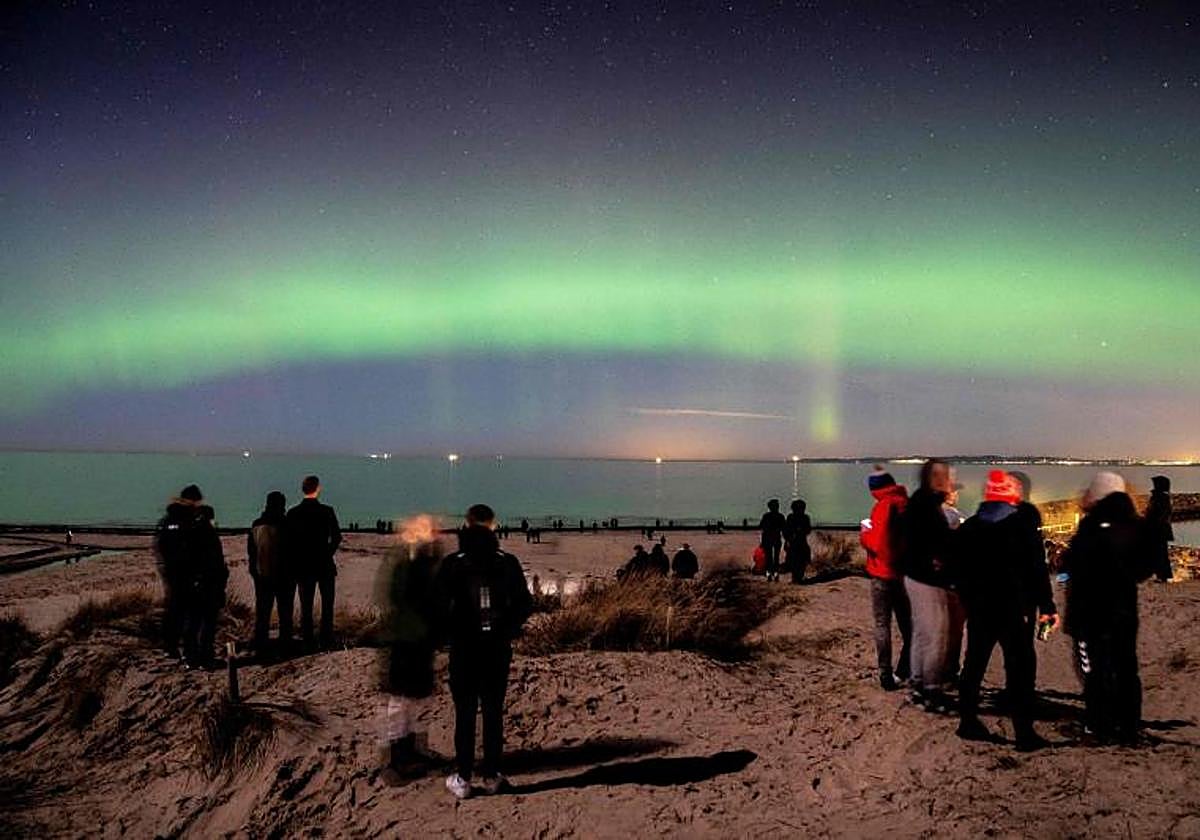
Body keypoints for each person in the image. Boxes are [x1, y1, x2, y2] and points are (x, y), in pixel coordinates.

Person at [953, 470, 1058, 751]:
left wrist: (969, 599)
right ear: (1010, 495)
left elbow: (957, 571)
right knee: (1021, 668)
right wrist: (1047, 606)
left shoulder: (970, 527)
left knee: (974, 664)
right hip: (1016, 610)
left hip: (980, 609)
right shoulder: (1021, 527)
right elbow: (1037, 571)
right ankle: (1024, 733)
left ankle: (967, 721)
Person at [436, 504, 533, 799]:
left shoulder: (454, 563)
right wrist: (508, 628)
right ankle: (492, 774)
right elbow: (524, 603)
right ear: (493, 526)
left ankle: (463, 778)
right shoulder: (507, 562)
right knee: (492, 711)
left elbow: (437, 605)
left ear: (466, 526)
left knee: (465, 712)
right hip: (496, 649)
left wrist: (448, 634)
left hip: (464, 649)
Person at [1061, 472, 1154, 744]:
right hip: (1124, 611)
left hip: (1089, 614)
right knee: (1126, 668)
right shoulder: (1135, 526)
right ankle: (1128, 726)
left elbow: (1073, 565)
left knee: (1093, 670)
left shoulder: (1090, 527)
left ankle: (1098, 725)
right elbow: (1143, 569)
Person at [377, 514, 444, 780]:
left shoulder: (402, 565)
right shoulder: (412, 569)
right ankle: (400, 755)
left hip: (406, 637)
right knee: (406, 696)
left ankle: (407, 750)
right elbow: (426, 599)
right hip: (412, 639)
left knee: (407, 696)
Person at [900, 459, 958, 712]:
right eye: (938, 475)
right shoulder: (925, 506)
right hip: (927, 578)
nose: (944, 479)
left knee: (923, 634)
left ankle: (918, 685)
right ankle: (931, 690)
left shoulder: (921, 502)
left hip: (916, 575)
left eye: (945, 475)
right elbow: (936, 542)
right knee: (936, 635)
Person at [860, 468, 912, 691]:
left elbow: (879, 544)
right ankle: (906, 668)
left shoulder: (884, 506)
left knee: (883, 625)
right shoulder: (907, 505)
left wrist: (865, 532)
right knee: (909, 626)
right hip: (906, 574)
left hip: (883, 574)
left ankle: (886, 673)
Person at [285, 475, 342, 649]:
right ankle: (326, 638)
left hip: (303, 565)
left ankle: (308, 639)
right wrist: (327, 553)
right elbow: (337, 537)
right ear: (317, 489)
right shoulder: (327, 511)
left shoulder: (293, 513)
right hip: (324, 564)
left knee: (306, 605)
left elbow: (289, 541)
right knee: (327, 604)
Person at [153, 484, 206, 660]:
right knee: (185, 611)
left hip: (175, 571)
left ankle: (174, 646)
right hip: (180, 572)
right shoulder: (180, 522)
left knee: (177, 610)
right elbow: (180, 548)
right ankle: (181, 647)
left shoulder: (172, 520)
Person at [181, 503, 228, 669]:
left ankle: (190, 657)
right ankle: (205, 658)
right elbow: (217, 563)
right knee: (207, 623)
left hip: (192, 585)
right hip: (208, 585)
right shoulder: (210, 535)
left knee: (192, 623)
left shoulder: (188, 534)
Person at [247, 491, 292, 658]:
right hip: (283, 576)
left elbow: (251, 552)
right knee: (285, 613)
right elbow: (290, 551)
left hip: (262, 575)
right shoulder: (286, 524)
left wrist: (254, 572)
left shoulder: (256, 524)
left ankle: (261, 645)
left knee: (263, 613)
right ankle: (285, 645)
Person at [1146, 475, 1174, 582]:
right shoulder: (1158, 496)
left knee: (1160, 553)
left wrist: (1155, 522)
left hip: (1159, 529)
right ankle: (1160, 575)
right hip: (1157, 528)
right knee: (1157, 552)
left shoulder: (1162, 497)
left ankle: (1163, 576)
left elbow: (1163, 513)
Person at [784, 499, 812, 584]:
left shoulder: (803, 517)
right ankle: (796, 578)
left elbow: (807, 530)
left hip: (799, 541)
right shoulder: (792, 517)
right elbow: (787, 530)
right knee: (796, 560)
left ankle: (798, 577)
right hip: (795, 542)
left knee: (800, 560)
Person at [759, 499, 787, 582]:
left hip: (767, 538)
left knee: (769, 556)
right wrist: (786, 539)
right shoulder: (780, 516)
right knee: (776, 557)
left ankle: (769, 572)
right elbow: (784, 529)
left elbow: (762, 527)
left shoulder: (766, 516)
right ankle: (775, 572)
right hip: (776, 538)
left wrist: (762, 541)